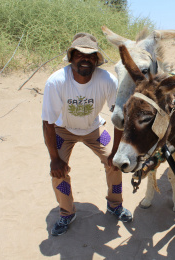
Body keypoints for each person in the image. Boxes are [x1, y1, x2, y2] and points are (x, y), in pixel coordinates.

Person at [42, 32, 132, 236]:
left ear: (96, 60)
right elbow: (47, 123)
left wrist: (115, 151)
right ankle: (66, 213)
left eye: (91, 55)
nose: (85, 59)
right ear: (72, 57)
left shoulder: (108, 80)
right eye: (80, 55)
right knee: (58, 172)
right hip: (62, 130)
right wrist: (55, 159)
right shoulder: (56, 82)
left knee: (115, 163)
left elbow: (119, 119)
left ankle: (115, 205)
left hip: (95, 129)